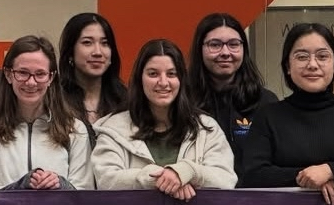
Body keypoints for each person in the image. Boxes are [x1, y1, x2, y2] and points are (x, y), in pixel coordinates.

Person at [240, 23, 334, 205]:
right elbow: (253, 173)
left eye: (322, 56)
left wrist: (331, 171)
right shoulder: (269, 115)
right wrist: (310, 178)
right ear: (288, 65)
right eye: (302, 57)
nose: (312, 64)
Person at [93, 39, 236, 195]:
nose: (163, 82)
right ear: (140, 79)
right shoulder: (112, 128)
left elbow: (226, 179)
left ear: (181, 79)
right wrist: (158, 178)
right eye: (153, 74)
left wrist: (188, 171)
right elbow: (105, 180)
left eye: (171, 74)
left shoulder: (206, 128)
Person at [0, 35, 93, 193]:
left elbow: (85, 196)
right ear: (9, 75)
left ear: (51, 78)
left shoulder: (74, 128)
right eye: (23, 73)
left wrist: (61, 185)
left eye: (40, 74)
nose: (31, 82)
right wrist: (21, 186)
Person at [184, 13, 278, 174]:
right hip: (196, 195)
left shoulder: (265, 101)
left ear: (244, 49)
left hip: (253, 196)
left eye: (234, 44)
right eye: (215, 45)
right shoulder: (183, 100)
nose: (225, 52)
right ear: (200, 49)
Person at [58, 12, 127, 141]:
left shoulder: (126, 102)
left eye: (105, 43)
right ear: (70, 52)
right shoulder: (55, 102)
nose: (97, 52)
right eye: (87, 43)